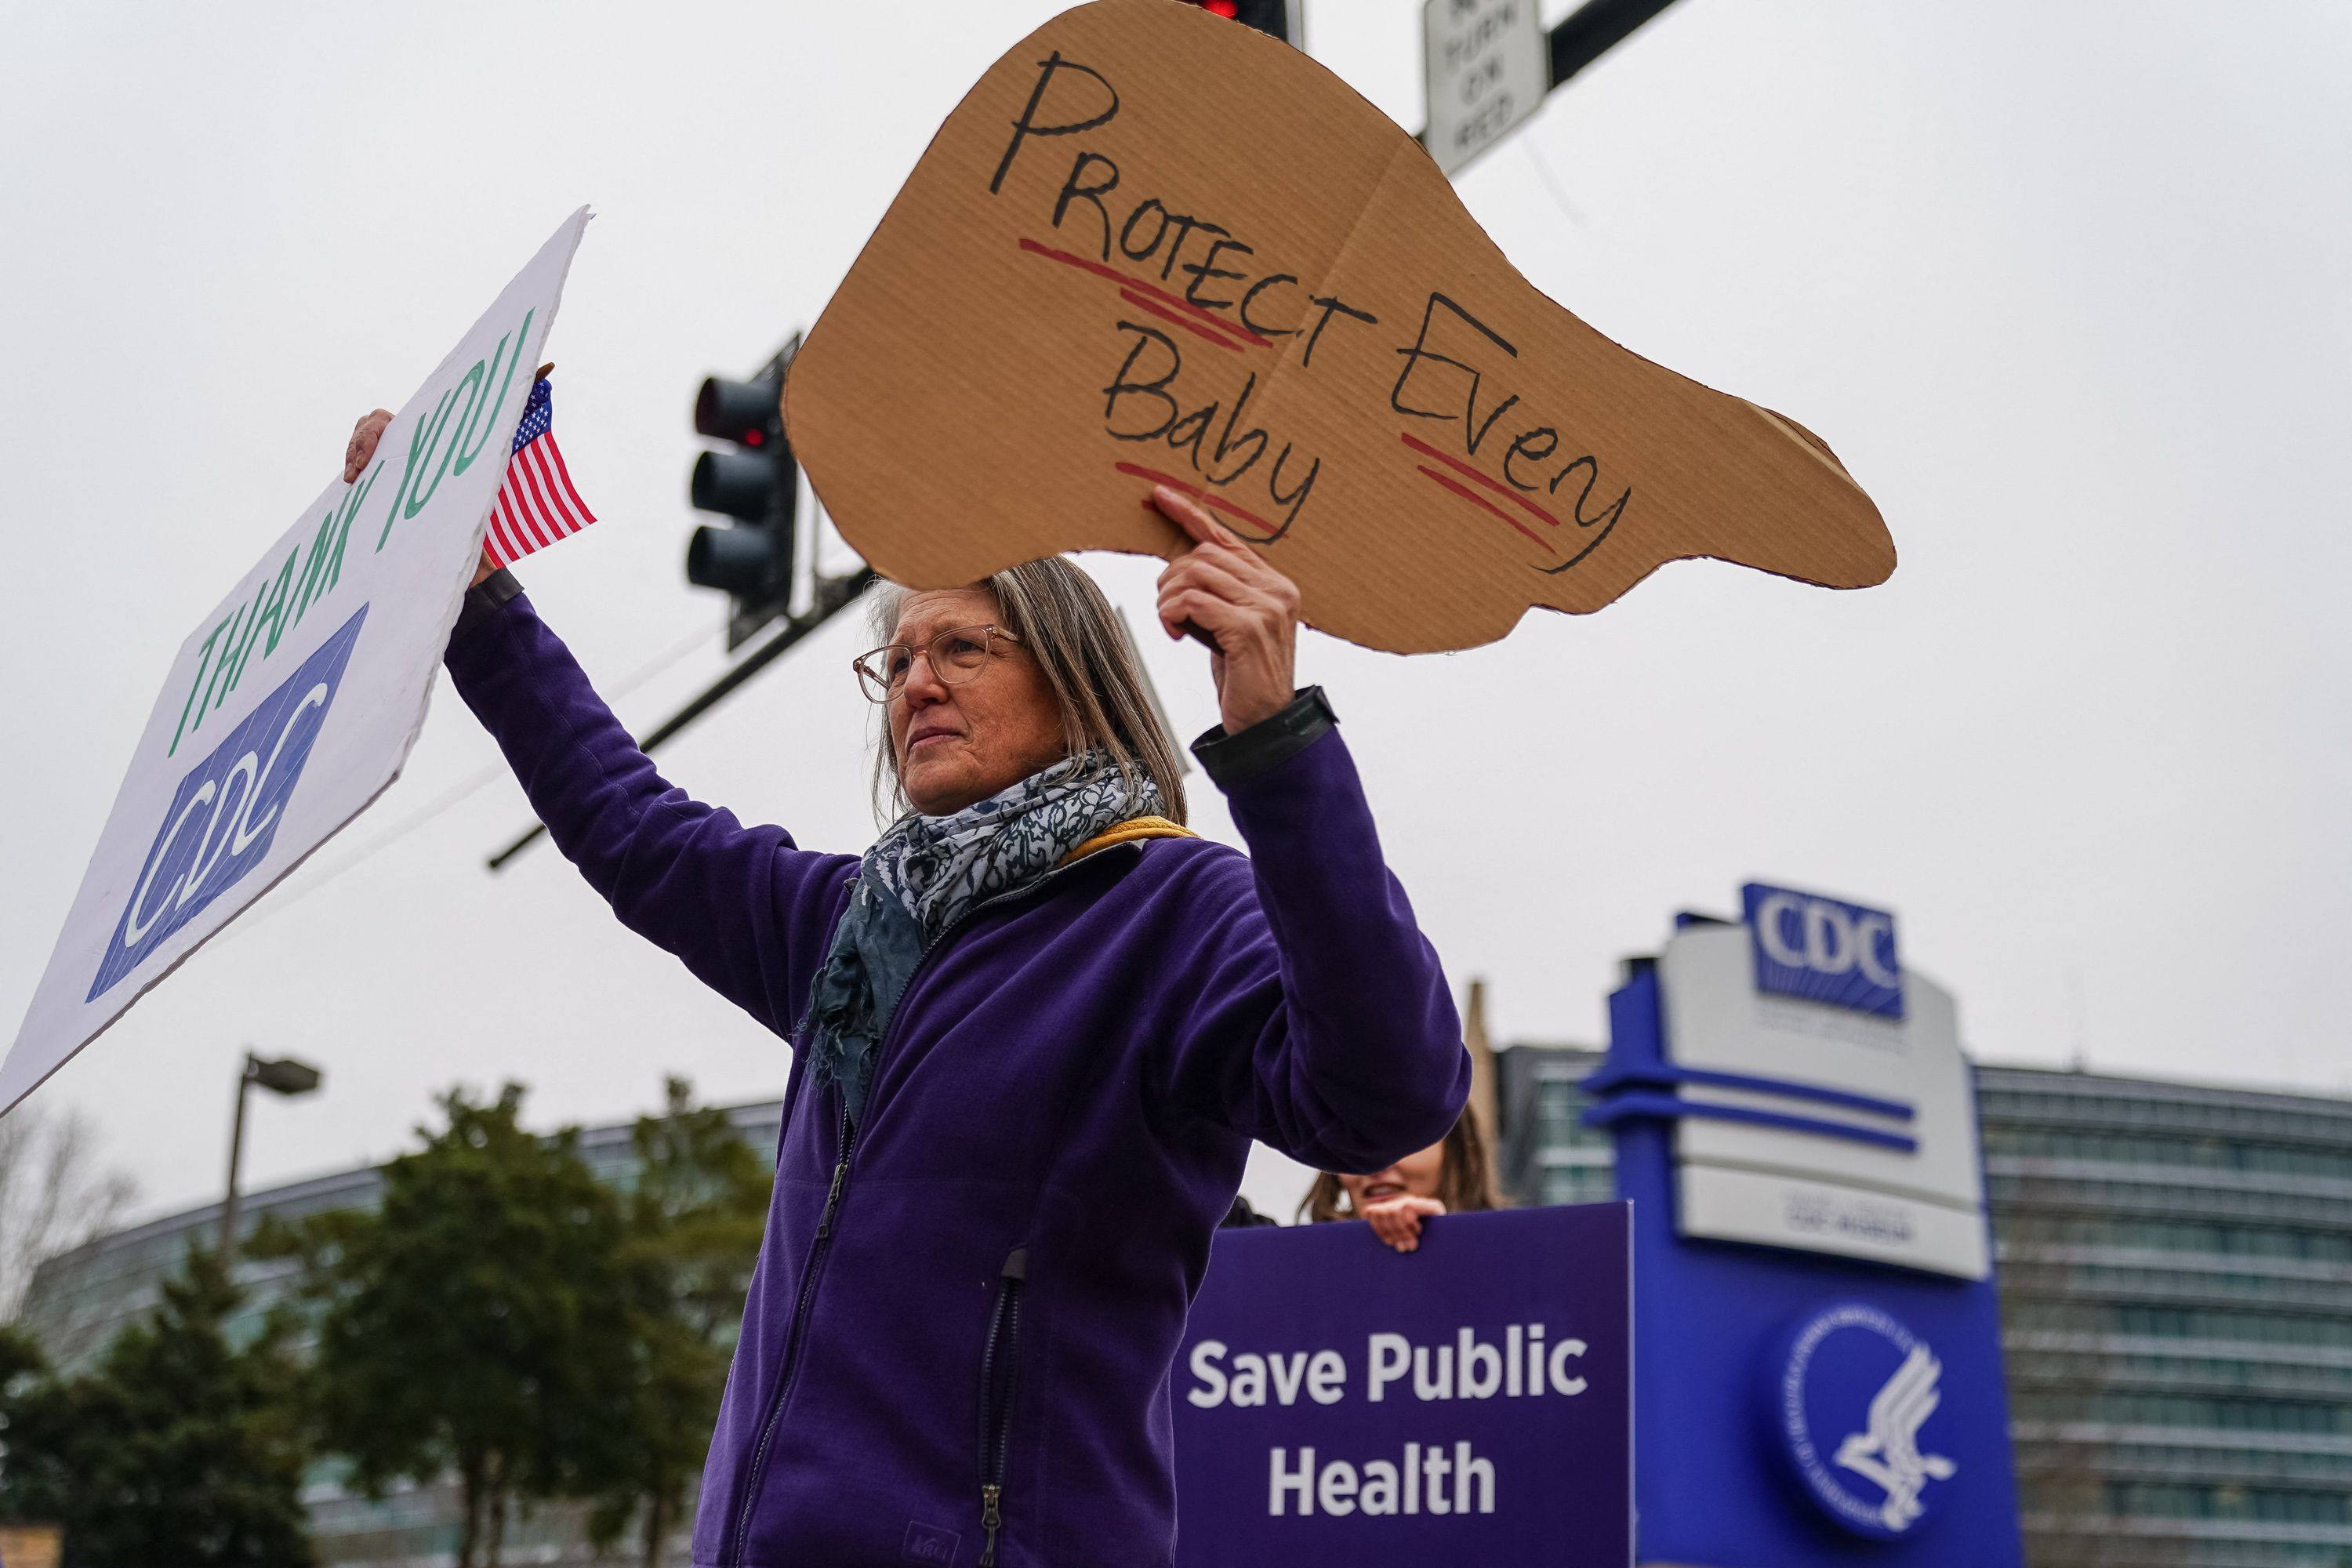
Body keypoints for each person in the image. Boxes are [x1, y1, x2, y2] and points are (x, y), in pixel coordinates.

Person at [340, 410, 1467, 1567]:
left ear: (1076, 681)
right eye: (899, 661)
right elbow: (631, 825)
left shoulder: (1173, 910)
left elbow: (1389, 1095)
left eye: (964, 650)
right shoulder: (850, 930)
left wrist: (1280, 747)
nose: (917, 684)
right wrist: (474, 600)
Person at [1298, 1107, 1501, 1254]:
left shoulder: (1512, 1257)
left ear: (1464, 1152)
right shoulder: (1305, 1272)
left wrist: (1445, 1240)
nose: (1375, 1165)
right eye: (1357, 1144)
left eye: (1403, 1142)